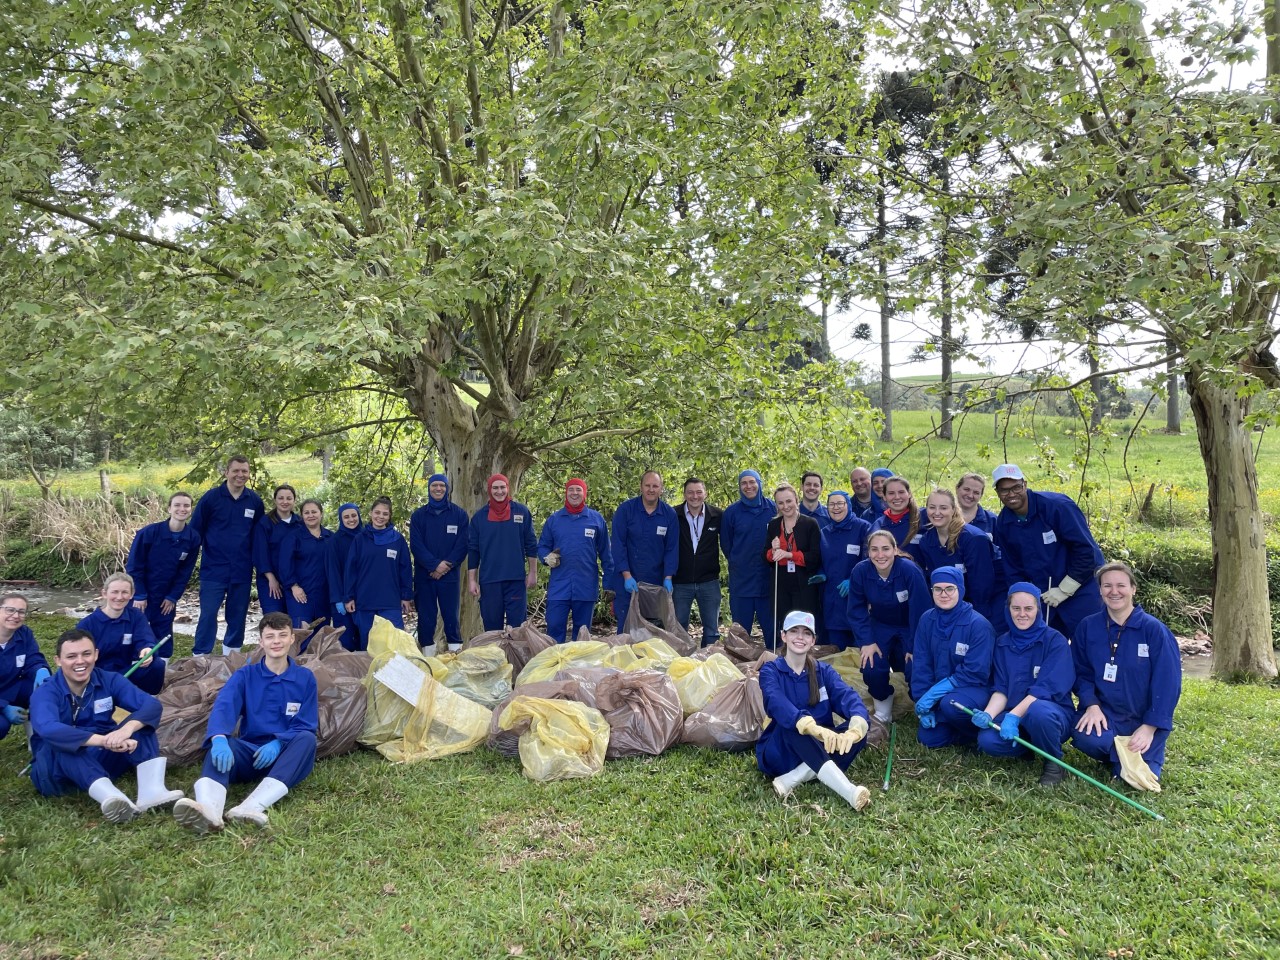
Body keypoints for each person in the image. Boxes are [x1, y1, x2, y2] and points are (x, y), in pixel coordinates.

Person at [173, 613, 318, 833]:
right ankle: (209, 811)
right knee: (222, 745)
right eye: (270, 637)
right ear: (261, 642)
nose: (276, 641)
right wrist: (219, 738)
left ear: (291, 639)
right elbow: (224, 707)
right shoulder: (245, 675)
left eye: (282, 635)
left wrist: (279, 743)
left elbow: (305, 723)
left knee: (306, 739)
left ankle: (250, 807)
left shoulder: (305, 678)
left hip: (284, 756)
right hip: (249, 752)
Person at [29, 628, 183, 823]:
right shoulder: (45, 692)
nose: (80, 661)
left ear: (96, 655)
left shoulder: (109, 679)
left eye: (86, 654)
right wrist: (104, 741)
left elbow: (151, 705)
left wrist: (125, 730)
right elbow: (48, 728)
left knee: (141, 725)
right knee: (63, 744)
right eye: (71, 656)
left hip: (101, 758)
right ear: (58, 660)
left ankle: (151, 792)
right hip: (56, 774)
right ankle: (112, 798)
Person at [1071, 562, 1182, 787]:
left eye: (1121, 585)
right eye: (1107, 586)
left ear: (1133, 589)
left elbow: (1168, 683)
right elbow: (1080, 672)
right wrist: (1091, 705)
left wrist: (1150, 726)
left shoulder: (1154, 630)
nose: (1114, 591)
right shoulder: (1087, 627)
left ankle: (1133, 755)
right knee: (1085, 736)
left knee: (1139, 781)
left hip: (1143, 718)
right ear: (1100, 590)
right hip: (1106, 714)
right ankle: (1118, 756)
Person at [756, 610, 872, 811]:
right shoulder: (771, 671)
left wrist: (856, 725)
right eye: (794, 631)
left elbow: (848, 697)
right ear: (783, 636)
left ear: (813, 640)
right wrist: (811, 727)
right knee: (793, 724)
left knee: (857, 734)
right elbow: (776, 702)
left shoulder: (823, 671)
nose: (800, 637)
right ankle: (849, 792)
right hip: (781, 753)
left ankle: (794, 778)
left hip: (821, 745)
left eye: (806, 633)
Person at [971, 583, 1076, 786]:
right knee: (987, 741)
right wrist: (989, 714)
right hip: (1014, 715)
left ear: (1037, 609)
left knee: (1039, 713)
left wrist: (1013, 716)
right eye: (1016, 608)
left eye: (1028, 608)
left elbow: (1046, 689)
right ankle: (1027, 747)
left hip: (1050, 714)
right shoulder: (1002, 643)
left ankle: (1054, 763)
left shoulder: (1055, 641)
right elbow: (1001, 689)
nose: (1022, 614)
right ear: (1008, 609)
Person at [991, 464, 1104, 637]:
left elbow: (1086, 551)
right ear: (997, 493)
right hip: (1043, 596)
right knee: (1047, 645)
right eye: (1004, 490)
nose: (1011, 494)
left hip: (1081, 589)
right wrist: (1025, 596)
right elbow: (1013, 568)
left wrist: (1066, 588)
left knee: (1090, 640)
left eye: (1016, 487)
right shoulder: (1004, 523)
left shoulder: (1057, 506)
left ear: (1025, 484)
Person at [846, 529, 929, 723]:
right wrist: (866, 641)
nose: (880, 555)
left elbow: (921, 610)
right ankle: (883, 704)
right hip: (880, 624)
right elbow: (856, 610)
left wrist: (914, 645)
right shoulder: (860, 571)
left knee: (916, 665)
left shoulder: (909, 570)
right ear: (868, 552)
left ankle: (923, 706)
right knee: (871, 664)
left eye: (885, 549)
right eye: (874, 549)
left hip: (910, 625)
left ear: (895, 550)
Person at [910, 567, 995, 749]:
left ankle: (976, 732)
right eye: (937, 589)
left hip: (974, 690)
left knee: (952, 705)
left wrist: (935, 693)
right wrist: (923, 703)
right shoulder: (927, 620)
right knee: (929, 739)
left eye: (950, 588)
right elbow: (921, 664)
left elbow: (976, 672)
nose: (944, 594)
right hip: (941, 693)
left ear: (960, 590)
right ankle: (958, 731)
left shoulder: (978, 625)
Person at [190, 455, 265, 655]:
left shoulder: (254, 502)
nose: (240, 475)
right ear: (227, 473)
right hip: (213, 569)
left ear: (249, 474)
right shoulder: (211, 498)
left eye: (244, 471)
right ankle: (201, 656)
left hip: (242, 569)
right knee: (208, 614)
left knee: (237, 615)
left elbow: (259, 535)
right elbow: (195, 532)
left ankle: (231, 655)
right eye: (236, 471)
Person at [538, 479, 613, 643]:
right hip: (559, 586)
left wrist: (609, 584)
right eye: (571, 489)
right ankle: (553, 666)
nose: (574, 493)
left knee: (582, 636)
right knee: (554, 631)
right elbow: (542, 546)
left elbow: (607, 554)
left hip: (585, 586)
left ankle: (578, 668)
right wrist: (546, 558)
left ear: (584, 493)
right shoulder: (554, 520)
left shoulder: (596, 520)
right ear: (566, 493)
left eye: (578, 490)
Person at [125, 491, 200, 649]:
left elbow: (185, 572)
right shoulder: (148, 533)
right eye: (177, 505)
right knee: (135, 631)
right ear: (169, 509)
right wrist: (139, 594)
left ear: (191, 509)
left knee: (163, 634)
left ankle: (162, 669)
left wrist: (173, 596)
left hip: (166, 596)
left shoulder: (193, 538)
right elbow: (134, 567)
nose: (182, 509)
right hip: (142, 594)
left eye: (186, 505)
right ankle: (133, 670)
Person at [913, 488, 1001, 624]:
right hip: (948, 605)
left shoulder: (973, 539)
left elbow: (982, 586)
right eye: (932, 507)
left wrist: (975, 620)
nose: (937, 513)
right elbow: (934, 579)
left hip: (983, 606)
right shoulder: (927, 540)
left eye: (943, 508)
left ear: (953, 509)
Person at [467, 474, 538, 631]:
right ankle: (496, 656)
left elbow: (531, 544)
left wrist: (533, 572)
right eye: (495, 488)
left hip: (516, 580)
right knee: (492, 629)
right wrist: (472, 580)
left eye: (502, 487)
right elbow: (473, 551)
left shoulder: (521, 512)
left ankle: (517, 656)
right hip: (489, 581)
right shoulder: (479, 518)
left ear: (508, 488)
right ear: (489, 490)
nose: (499, 491)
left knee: (518, 629)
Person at [76, 573, 166, 695]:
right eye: (114, 592)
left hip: (126, 672)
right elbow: (80, 657)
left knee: (157, 665)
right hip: (98, 675)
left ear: (132, 594)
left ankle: (148, 697)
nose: (119, 597)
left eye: (124, 592)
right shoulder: (87, 624)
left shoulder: (136, 616)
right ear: (104, 593)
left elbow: (145, 637)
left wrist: (147, 648)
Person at [609, 470, 679, 626]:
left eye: (655, 486)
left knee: (653, 631)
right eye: (647, 485)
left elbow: (671, 548)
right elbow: (618, 545)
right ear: (641, 487)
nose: (651, 489)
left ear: (661, 488)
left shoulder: (669, 514)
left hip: (656, 583)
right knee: (627, 629)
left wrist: (668, 577)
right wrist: (626, 576)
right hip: (627, 581)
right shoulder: (625, 510)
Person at [343, 496, 414, 648]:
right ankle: (369, 672)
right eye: (377, 513)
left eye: (385, 514)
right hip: (365, 600)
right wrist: (349, 597)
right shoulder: (360, 539)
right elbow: (351, 570)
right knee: (368, 643)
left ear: (389, 516)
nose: (380, 517)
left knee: (394, 643)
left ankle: (393, 672)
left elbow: (405, 569)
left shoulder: (398, 540)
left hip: (390, 601)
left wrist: (406, 596)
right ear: (370, 513)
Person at [410, 474, 470, 652]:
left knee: (451, 617)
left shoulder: (459, 515)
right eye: (434, 485)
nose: (438, 489)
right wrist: (434, 565)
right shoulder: (419, 516)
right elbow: (416, 545)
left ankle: (455, 658)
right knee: (426, 619)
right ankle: (428, 660)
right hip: (425, 576)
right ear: (429, 488)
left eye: (442, 486)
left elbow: (463, 544)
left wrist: (446, 565)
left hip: (449, 576)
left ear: (447, 488)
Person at [764, 483, 823, 648]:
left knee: (803, 624)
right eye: (781, 503)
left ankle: (806, 657)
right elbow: (766, 557)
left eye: (789, 501)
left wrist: (789, 554)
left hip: (804, 583)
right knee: (785, 622)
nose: (785, 506)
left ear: (797, 500)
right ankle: (785, 657)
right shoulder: (774, 525)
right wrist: (773, 551)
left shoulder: (810, 523)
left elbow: (815, 557)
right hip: (781, 582)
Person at [720, 469, 775, 638]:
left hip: (769, 580)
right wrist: (739, 561)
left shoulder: (772, 509)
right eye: (744, 483)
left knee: (773, 633)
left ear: (760, 483)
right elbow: (726, 544)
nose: (748, 486)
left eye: (752, 482)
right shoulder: (731, 512)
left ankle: (774, 664)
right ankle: (740, 665)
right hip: (741, 581)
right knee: (740, 634)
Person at [817, 492, 871, 650]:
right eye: (832, 504)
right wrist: (820, 573)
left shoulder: (863, 528)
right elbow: (818, 560)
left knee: (860, 654)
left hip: (857, 600)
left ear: (848, 505)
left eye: (840, 503)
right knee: (836, 652)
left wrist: (853, 581)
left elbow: (870, 560)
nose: (836, 508)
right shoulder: (824, 533)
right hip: (833, 602)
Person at [672, 477, 723, 645]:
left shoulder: (717, 515)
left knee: (712, 631)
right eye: (690, 492)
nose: (695, 496)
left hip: (709, 581)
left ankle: (709, 664)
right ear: (684, 494)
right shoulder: (673, 515)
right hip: (680, 582)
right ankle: (679, 665)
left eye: (699, 492)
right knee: (678, 629)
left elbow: (729, 543)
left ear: (705, 494)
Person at [0, 595, 50, 742]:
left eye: (21, 612)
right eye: (10, 610)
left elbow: (33, 658)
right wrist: (3, 707)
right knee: (1, 726)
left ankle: (36, 737)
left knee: (46, 691)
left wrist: (41, 670)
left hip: (13, 687)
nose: (15, 616)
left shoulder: (24, 633)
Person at [278, 499, 333, 629]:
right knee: (302, 634)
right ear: (302, 516)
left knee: (321, 635)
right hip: (299, 594)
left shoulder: (330, 538)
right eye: (306, 513)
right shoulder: (293, 537)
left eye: (314, 512)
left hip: (323, 595)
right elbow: (284, 564)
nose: (311, 515)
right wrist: (293, 586)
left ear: (321, 513)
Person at [253, 484, 302, 617]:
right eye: (281, 498)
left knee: (295, 620)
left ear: (294, 500)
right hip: (270, 581)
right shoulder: (265, 523)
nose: (285, 502)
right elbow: (260, 553)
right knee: (274, 619)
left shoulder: (300, 523)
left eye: (289, 498)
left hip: (294, 580)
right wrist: (271, 578)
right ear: (275, 500)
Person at [326, 503, 363, 649]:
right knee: (345, 640)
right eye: (346, 517)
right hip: (342, 599)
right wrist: (338, 599)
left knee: (364, 638)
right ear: (341, 519)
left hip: (364, 597)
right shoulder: (335, 541)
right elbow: (332, 571)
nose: (351, 519)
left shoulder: (366, 536)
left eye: (354, 515)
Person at [870, 475, 922, 550]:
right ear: (884, 496)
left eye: (901, 492)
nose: (897, 497)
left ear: (909, 494)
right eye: (891, 493)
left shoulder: (923, 517)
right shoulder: (878, 526)